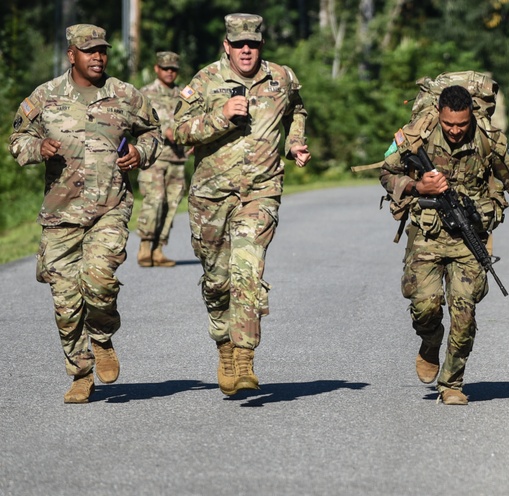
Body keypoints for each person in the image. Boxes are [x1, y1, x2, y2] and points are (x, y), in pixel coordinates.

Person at [380, 85, 509, 405]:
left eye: (461, 124)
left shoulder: (488, 141)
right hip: (428, 235)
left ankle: (451, 383)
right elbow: (387, 173)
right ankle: (430, 340)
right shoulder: (418, 137)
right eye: (449, 124)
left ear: (471, 119)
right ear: (439, 114)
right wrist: (417, 184)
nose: (454, 131)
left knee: (464, 312)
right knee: (425, 305)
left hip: (470, 238)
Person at [8, 24, 161, 404]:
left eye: (102, 50)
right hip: (60, 214)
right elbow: (17, 139)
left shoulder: (124, 95)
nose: (98, 56)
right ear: (71, 55)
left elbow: (155, 132)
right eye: (88, 50)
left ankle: (104, 337)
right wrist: (36, 147)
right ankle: (80, 373)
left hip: (109, 208)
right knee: (65, 301)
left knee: (99, 280)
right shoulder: (45, 96)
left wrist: (140, 153)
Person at [174, 13, 310, 396]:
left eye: (252, 44)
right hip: (211, 197)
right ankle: (225, 346)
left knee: (245, 270)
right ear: (226, 47)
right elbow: (179, 131)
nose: (246, 51)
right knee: (217, 282)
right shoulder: (205, 81)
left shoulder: (281, 77)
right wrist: (221, 116)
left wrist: (294, 142)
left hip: (260, 193)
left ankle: (246, 357)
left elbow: (297, 111)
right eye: (239, 45)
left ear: (261, 45)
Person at [136, 51, 187, 268]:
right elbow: (135, 122)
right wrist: (164, 130)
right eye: (165, 68)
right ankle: (145, 246)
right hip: (154, 157)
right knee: (154, 201)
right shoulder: (145, 93)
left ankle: (159, 249)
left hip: (177, 158)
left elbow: (191, 119)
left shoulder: (184, 95)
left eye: (173, 69)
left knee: (171, 204)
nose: (169, 72)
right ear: (157, 69)